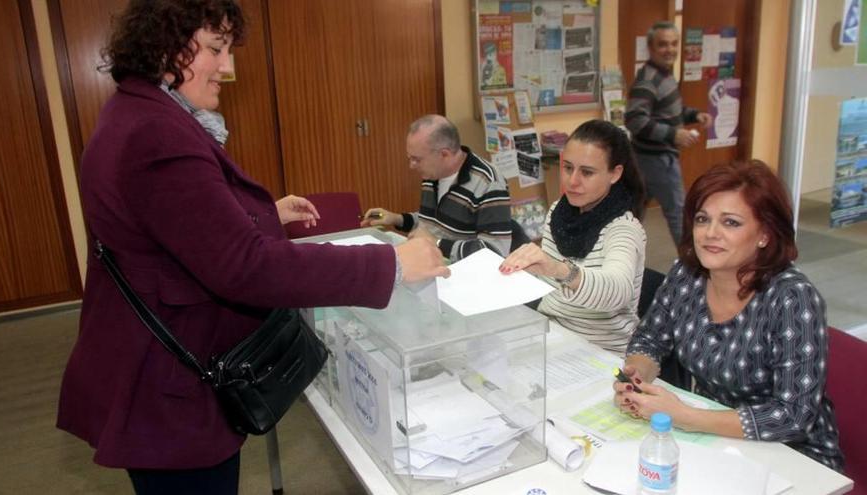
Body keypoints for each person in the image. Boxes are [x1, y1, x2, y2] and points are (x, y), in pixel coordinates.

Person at [55, 1, 449, 493]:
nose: (227, 66)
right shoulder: (157, 132)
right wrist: (388, 263)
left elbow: (179, 226)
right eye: (215, 49)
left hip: (158, 364)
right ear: (165, 44)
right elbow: (244, 266)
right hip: (171, 385)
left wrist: (261, 214)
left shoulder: (133, 112)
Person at [615, 160, 844, 471]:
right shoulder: (687, 274)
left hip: (794, 457)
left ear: (764, 233)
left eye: (731, 223)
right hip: (717, 439)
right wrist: (635, 379)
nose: (711, 233)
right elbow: (651, 339)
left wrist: (687, 417)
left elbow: (794, 416)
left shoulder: (792, 298)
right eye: (702, 219)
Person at [499, 120, 647, 356]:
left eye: (587, 172)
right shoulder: (559, 211)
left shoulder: (624, 228)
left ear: (615, 174)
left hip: (602, 352)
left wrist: (559, 269)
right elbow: (549, 289)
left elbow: (618, 292)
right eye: (568, 168)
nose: (572, 181)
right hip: (553, 335)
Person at [361, 115, 512, 262]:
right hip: (429, 264)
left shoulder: (488, 182)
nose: (411, 166)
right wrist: (396, 218)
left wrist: (437, 243)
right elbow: (433, 223)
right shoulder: (432, 175)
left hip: (461, 275)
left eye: (417, 159)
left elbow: (494, 252)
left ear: (444, 154)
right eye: (410, 158)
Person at [625, 21, 712, 246]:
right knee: (679, 215)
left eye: (674, 44)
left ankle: (620, 262)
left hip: (647, 159)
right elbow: (635, 120)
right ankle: (694, 270)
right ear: (651, 48)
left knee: (632, 215)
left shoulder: (665, 75)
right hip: (656, 160)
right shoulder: (649, 79)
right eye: (663, 45)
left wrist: (694, 115)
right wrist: (673, 134)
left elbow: (667, 111)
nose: (670, 49)